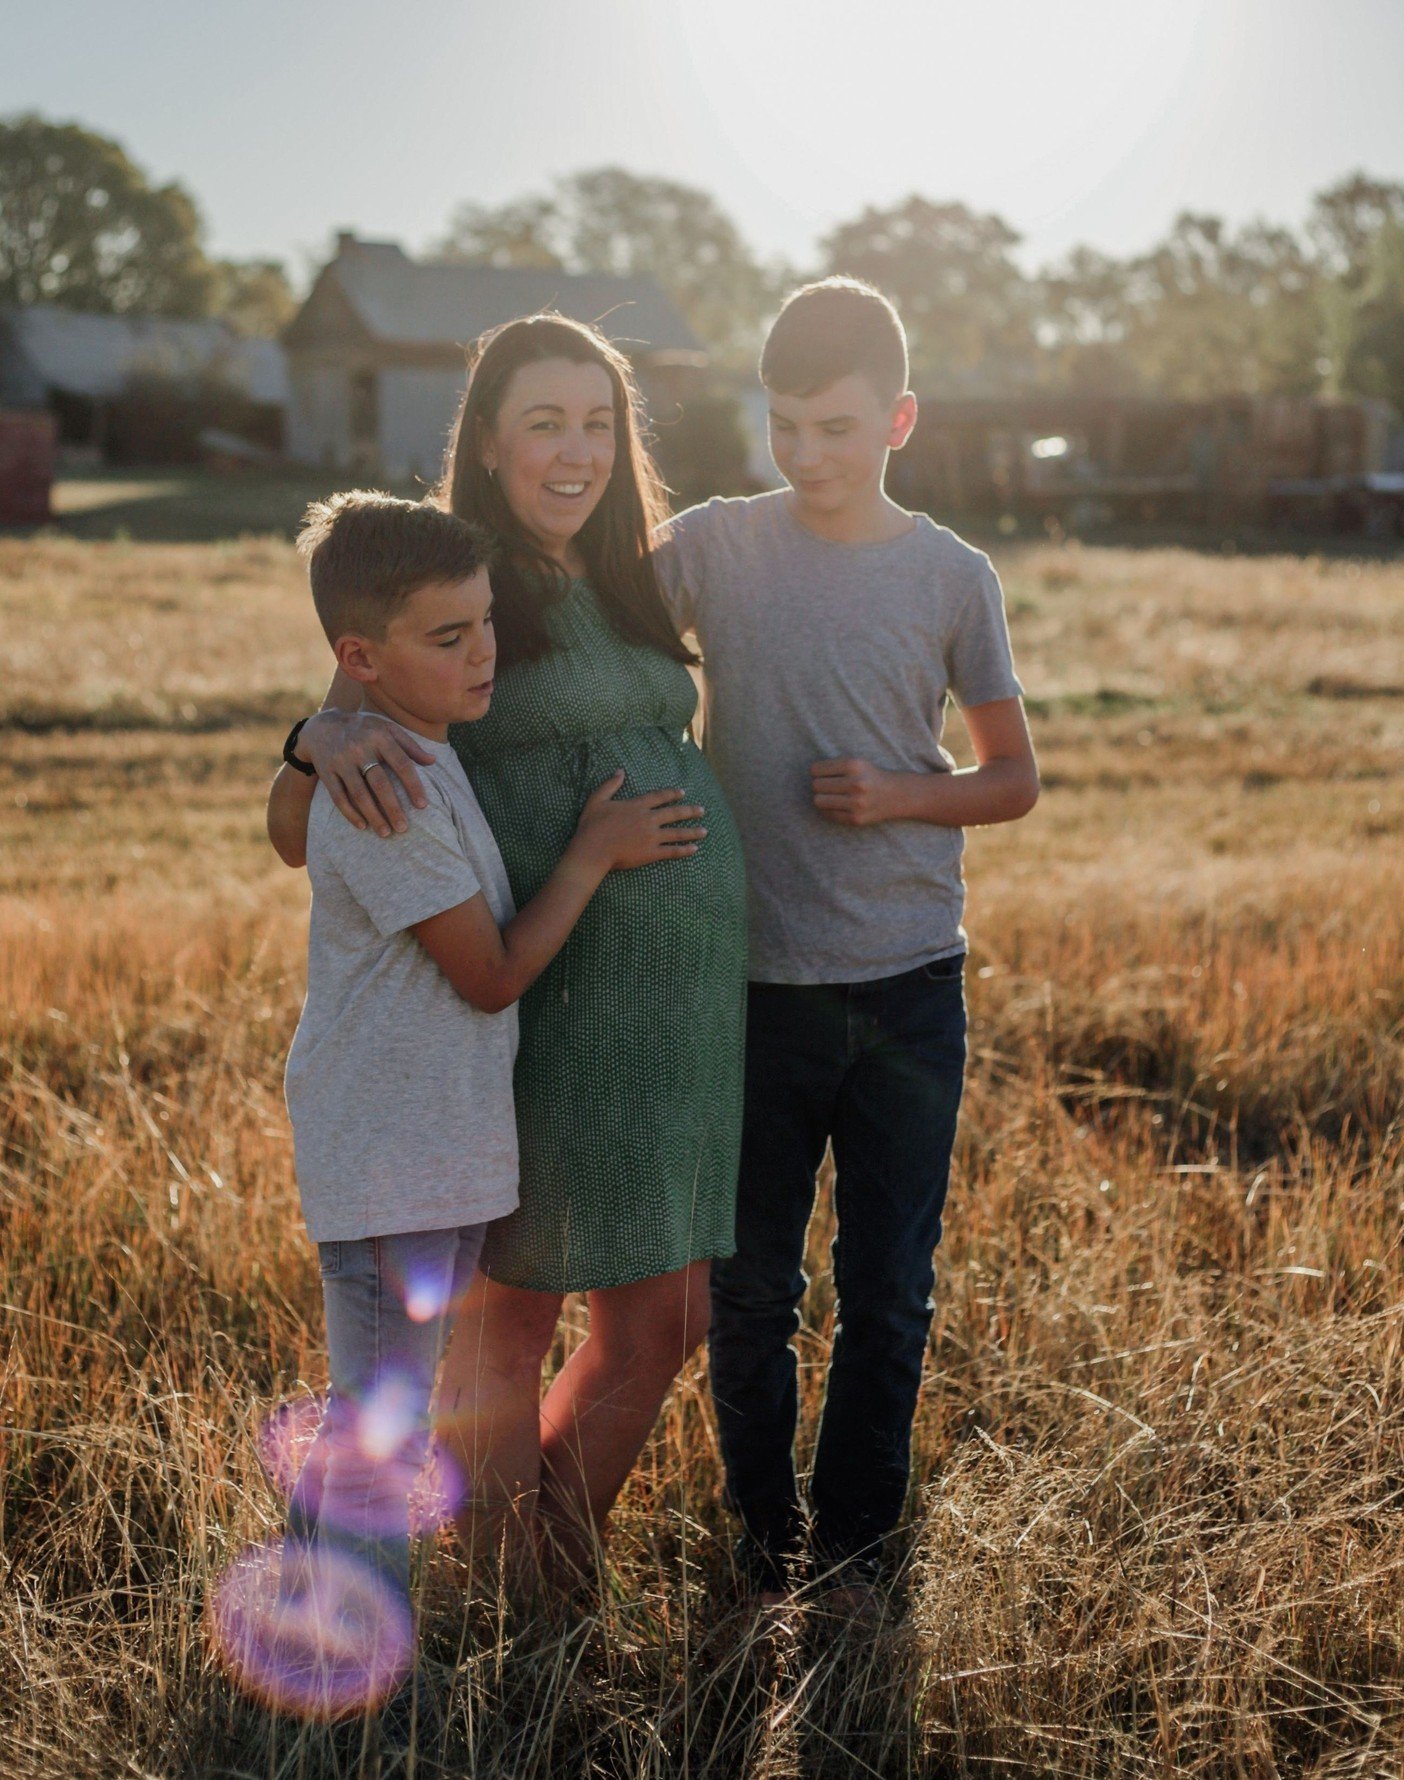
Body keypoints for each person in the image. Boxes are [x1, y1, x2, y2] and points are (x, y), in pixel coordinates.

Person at [265, 318, 747, 1581]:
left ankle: (541, 1555)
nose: (576, 449)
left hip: (678, 1014)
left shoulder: (639, 571)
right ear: (485, 440)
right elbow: (310, 803)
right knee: (507, 1317)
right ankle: (513, 1586)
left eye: (598, 420)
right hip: (543, 1000)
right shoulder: (461, 581)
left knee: (670, 1314)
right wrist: (311, 737)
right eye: (543, 421)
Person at [653, 277, 1041, 1610]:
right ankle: (764, 1543)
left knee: (888, 1295)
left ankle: (857, 1553)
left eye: (835, 425)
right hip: (754, 993)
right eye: (784, 426)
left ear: (900, 419)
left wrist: (899, 794)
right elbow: (565, 620)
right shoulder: (713, 546)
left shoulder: (952, 576)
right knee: (751, 1295)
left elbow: (1012, 778)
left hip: (910, 992)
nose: (808, 453)